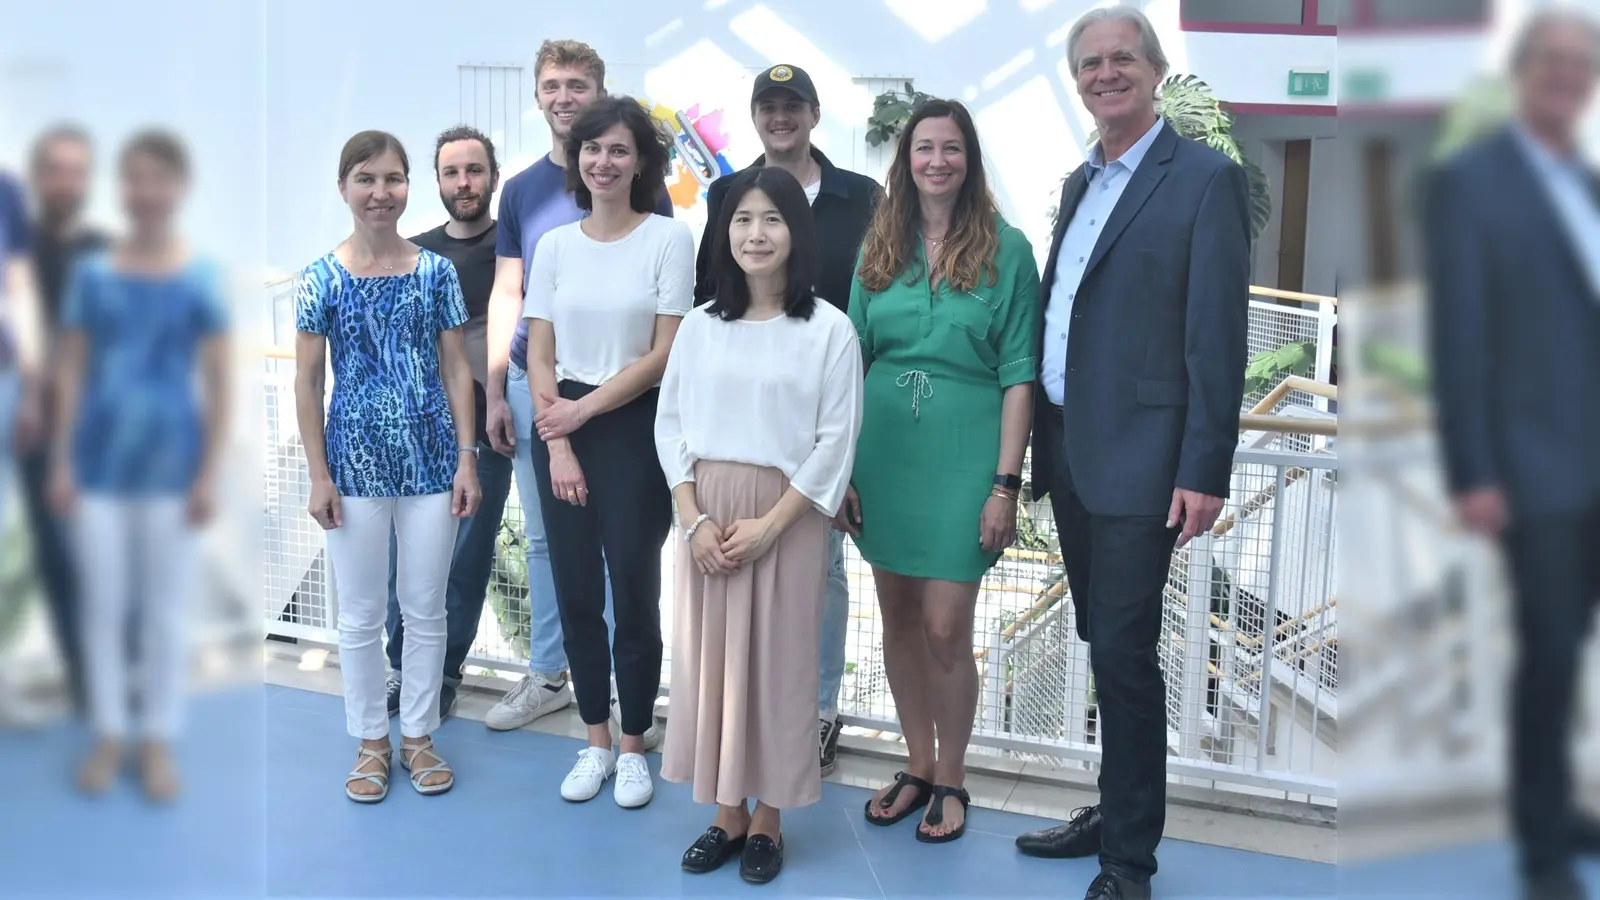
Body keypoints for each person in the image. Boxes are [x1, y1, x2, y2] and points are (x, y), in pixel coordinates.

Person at [1011, 9, 1250, 900]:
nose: (1105, 73)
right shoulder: (1082, 182)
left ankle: (1129, 860)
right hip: (1070, 450)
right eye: (1089, 64)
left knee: (1124, 653)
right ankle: (1113, 813)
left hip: (1143, 461)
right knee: (1101, 643)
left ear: (1154, 69)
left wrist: (1203, 469)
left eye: (1122, 59)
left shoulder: (1205, 180)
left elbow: (1216, 338)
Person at [1423, 10, 1600, 900]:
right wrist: (1474, 471)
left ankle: (1561, 805)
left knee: (1577, 650)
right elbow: (1460, 336)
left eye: (1582, 62)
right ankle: (1541, 841)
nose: (1567, 74)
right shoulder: (1471, 183)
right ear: (1524, 73)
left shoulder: (1589, 184)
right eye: (1552, 60)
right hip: (1537, 470)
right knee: (1550, 651)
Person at [660, 165, 864, 883]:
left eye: (772, 219)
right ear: (726, 233)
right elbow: (670, 424)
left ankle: (769, 818)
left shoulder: (829, 329)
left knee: (779, 666)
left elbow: (835, 441)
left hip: (790, 515)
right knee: (712, 665)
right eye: (742, 219)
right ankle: (726, 813)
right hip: (707, 513)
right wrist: (693, 519)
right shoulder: (699, 326)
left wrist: (772, 525)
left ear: (796, 232)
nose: (755, 234)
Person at [846, 99, 1040, 845]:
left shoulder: (1008, 250)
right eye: (923, 148)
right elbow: (850, 360)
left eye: (950, 148)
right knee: (896, 617)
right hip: (883, 458)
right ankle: (918, 766)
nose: (936, 160)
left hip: (966, 463)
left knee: (945, 624)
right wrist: (842, 471)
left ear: (969, 160)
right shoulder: (879, 246)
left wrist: (1004, 485)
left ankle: (953, 776)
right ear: (906, 161)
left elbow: (1019, 374)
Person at [692, 62, 882, 777]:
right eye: (768, 105)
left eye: (793, 104)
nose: (781, 116)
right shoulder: (727, 194)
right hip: (747, 417)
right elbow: (711, 293)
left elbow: (876, 299)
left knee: (819, 576)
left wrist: (846, 453)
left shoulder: (860, 196)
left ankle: (817, 713)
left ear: (814, 114)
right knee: (736, 583)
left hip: (824, 409)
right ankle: (737, 729)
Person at [482, 39, 672, 745]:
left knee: (627, 556)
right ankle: (553, 676)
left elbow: (663, 329)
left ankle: (629, 703)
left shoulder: (651, 208)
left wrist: (583, 408)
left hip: (623, 402)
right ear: (538, 96)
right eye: (552, 85)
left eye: (578, 85)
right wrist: (500, 390)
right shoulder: (523, 192)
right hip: (539, 388)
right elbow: (511, 294)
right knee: (550, 546)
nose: (564, 97)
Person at [293, 130, 481, 803]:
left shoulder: (436, 273)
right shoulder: (320, 278)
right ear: (344, 188)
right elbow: (308, 382)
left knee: (425, 608)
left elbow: (456, 369)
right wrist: (318, 474)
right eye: (366, 179)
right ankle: (372, 739)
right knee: (361, 613)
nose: (381, 193)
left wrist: (467, 458)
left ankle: (419, 734)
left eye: (393, 179)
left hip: (433, 462)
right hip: (352, 466)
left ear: (408, 186)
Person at [48, 130, 230, 802]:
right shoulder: (93, 275)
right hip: (97, 467)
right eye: (134, 179)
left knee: (164, 612)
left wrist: (207, 474)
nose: (145, 192)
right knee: (101, 608)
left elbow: (217, 380)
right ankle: (108, 734)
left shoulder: (201, 277)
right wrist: (61, 460)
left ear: (178, 189)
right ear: (120, 189)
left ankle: (155, 740)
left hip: (173, 469)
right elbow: (71, 368)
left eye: (158, 178)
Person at [522, 95, 690, 808]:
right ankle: (594, 738)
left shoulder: (668, 239)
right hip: (559, 425)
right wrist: (560, 440)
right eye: (592, 148)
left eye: (619, 149)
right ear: (577, 158)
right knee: (577, 591)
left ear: (641, 161)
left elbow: (664, 352)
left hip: (633, 425)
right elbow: (539, 351)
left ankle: (633, 744)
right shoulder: (556, 246)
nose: (604, 161)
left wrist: (584, 410)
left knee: (634, 587)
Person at [380, 126, 515, 721]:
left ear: (493, 177)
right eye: (452, 172)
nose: (464, 183)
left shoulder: (513, 250)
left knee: (466, 560)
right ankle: (402, 669)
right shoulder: (415, 254)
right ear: (436, 182)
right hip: (416, 434)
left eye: (474, 170)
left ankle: (442, 675)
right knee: (402, 560)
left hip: (487, 431)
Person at [21, 125, 108, 716]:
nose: (66, 182)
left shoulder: (104, 250)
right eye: (56, 170)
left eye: (77, 171)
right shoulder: (16, 251)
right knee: (55, 557)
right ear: (38, 176)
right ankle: (86, 679)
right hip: (35, 428)